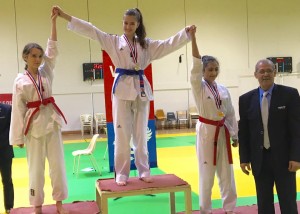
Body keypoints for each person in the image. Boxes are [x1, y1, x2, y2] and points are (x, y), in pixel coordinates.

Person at [53, 5, 194, 186]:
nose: (128, 26)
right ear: (122, 23)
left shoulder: (146, 44)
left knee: (141, 133)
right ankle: (121, 173)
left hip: (141, 88)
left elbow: (167, 45)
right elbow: (91, 30)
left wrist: (185, 33)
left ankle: (144, 170)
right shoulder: (112, 41)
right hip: (121, 89)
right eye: (125, 23)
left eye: (132, 23)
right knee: (121, 133)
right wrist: (65, 16)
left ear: (138, 24)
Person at [9, 8, 68, 214]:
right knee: (35, 169)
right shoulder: (20, 81)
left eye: (40, 56)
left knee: (58, 166)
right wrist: (17, 137)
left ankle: (59, 204)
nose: (38, 59)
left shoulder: (47, 71)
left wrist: (54, 22)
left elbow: (53, 48)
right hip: (33, 127)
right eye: (34, 56)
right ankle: (37, 206)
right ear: (25, 57)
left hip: (52, 122)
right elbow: (18, 109)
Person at [238, 59, 300, 214]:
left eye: (269, 71)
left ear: (275, 73)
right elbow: (244, 132)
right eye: (262, 71)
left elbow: (296, 129)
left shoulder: (290, 94)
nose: (265, 74)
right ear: (255, 75)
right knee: (264, 203)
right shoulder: (245, 100)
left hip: (285, 159)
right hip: (260, 159)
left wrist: (296, 156)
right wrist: (244, 158)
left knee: (288, 201)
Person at [189, 27, 238, 214]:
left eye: (216, 69)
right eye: (210, 69)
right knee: (207, 173)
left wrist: (235, 135)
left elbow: (231, 113)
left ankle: (230, 208)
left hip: (223, 130)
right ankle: (205, 210)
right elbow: (194, 65)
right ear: (202, 71)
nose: (213, 72)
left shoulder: (224, 89)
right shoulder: (198, 87)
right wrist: (193, 38)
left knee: (227, 173)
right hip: (207, 132)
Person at [0, 103, 14, 214]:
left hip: (5, 151)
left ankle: (9, 208)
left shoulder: (7, 109)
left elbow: (13, 128)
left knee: (7, 180)